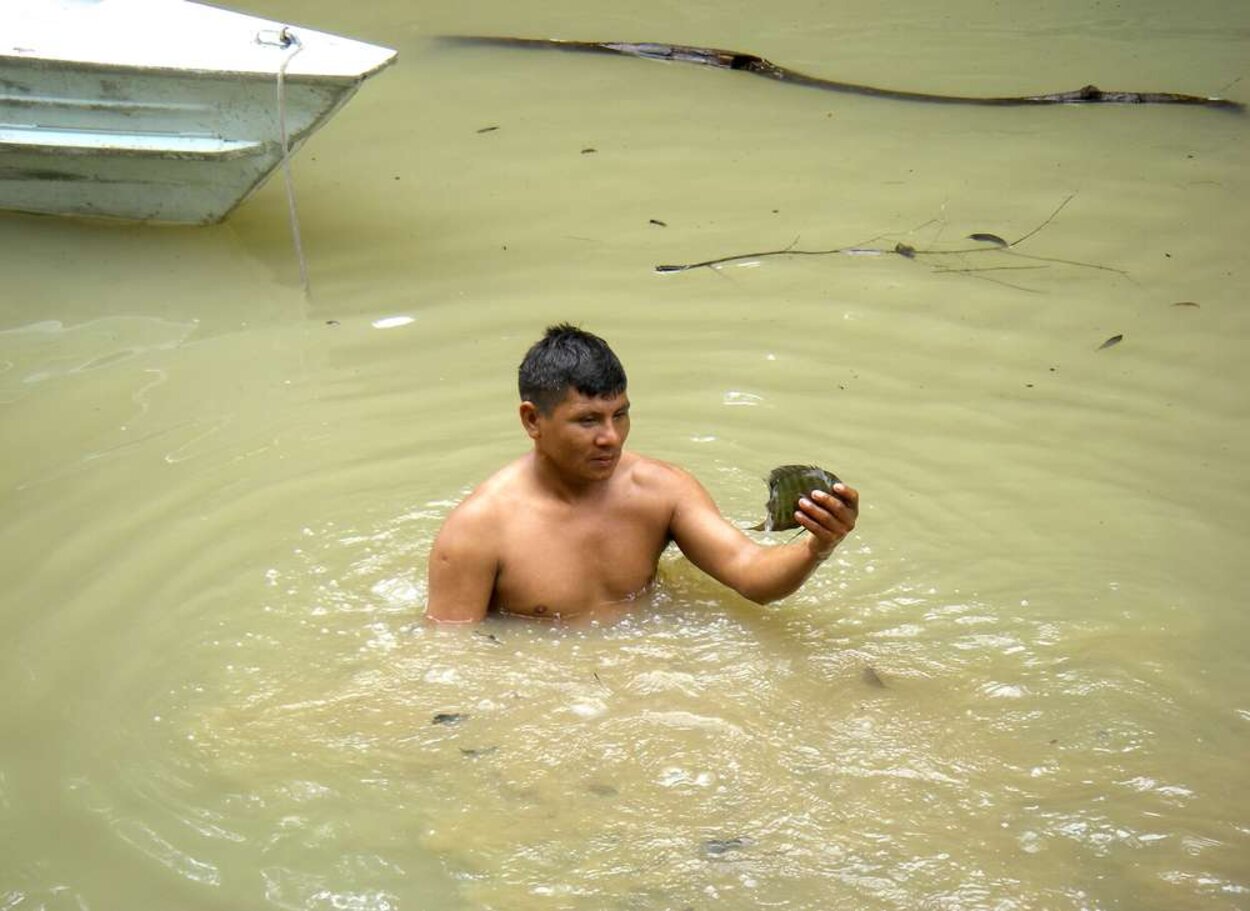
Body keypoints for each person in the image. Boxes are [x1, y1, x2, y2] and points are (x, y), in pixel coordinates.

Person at [424, 324, 859, 624]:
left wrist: (817, 547)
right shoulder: (477, 531)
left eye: (621, 414)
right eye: (588, 421)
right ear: (533, 420)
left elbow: (749, 574)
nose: (611, 438)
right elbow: (454, 660)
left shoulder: (661, 490)